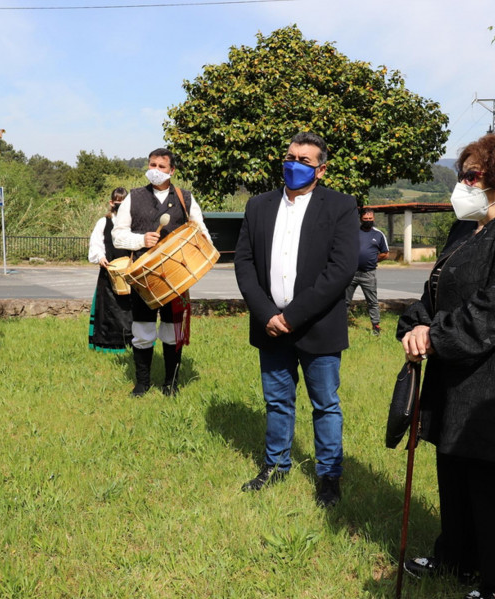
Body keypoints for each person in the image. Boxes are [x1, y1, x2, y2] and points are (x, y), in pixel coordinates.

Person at [397, 132, 495, 599]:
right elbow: (436, 290)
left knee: (490, 483)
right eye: (461, 175)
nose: (461, 186)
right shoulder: (468, 228)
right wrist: (414, 324)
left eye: (471, 176)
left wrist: (435, 335)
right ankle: (458, 557)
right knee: (454, 470)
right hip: (455, 373)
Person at [234, 132, 359, 508]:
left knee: (325, 403)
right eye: (290, 156)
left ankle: (328, 476)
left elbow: (341, 269)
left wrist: (293, 315)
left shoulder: (340, 206)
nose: (294, 164)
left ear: (320, 169)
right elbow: (243, 263)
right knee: (277, 401)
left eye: (304, 160)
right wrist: (268, 314)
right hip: (270, 326)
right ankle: (276, 466)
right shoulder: (259, 205)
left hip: (318, 324)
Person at [112, 148, 210, 396]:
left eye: (161, 166)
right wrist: (140, 240)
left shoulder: (185, 198)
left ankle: (171, 383)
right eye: (152, 165)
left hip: (177, 276)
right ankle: (142, 383)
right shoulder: (133, 197)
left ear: (172, 170)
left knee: (172, 330)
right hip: (145, 275)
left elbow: (201, 232)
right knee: (143, 329)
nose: (155, 170)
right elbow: (117, 236)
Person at [88, 187, 133, 353]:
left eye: (123, 202)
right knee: (108, 310)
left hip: (129, 274)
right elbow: (96, 244)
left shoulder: (132, 224)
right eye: (117, 202)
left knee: (129, 311)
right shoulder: (103, 222)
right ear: (111, 203)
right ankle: (107, 344)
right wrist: (100, 257)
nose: (120, 205)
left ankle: (131, 342)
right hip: (108, 273)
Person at [345, 207, 389, 335]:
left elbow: (385, 253)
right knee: (345, 301)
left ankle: (376, 327)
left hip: (368, 274)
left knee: (372, 302)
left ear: (373, 218)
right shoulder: (353, 232)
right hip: (351, 273)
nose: (368, 221)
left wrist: (373, 260)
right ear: (360, 219)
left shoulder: (378, 234)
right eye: (365, 219)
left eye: (370, 219)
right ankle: (341, 326)